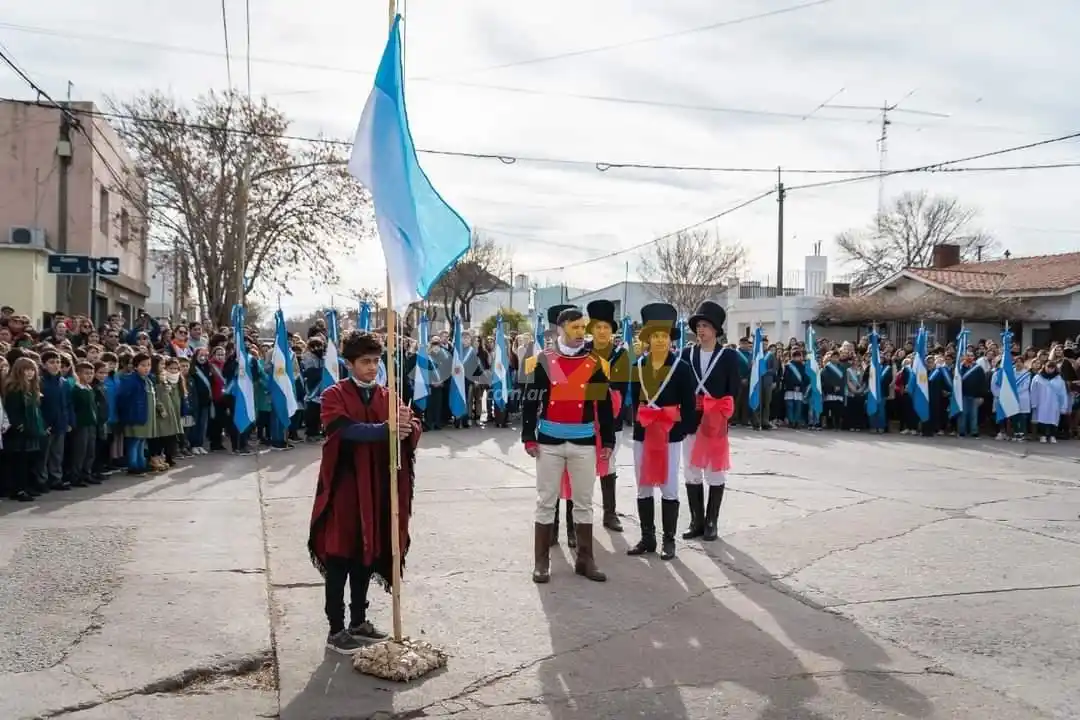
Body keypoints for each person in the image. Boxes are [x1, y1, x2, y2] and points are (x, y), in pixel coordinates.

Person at [308, 330, 421, 655]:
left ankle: (359, 621)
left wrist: (407, 426)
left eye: (376, 361)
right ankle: (336, 629)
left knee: (365, 554)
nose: (372, 368)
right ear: (349, 363)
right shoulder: (334, 394)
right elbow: (342, 430)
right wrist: (384, 430)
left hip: (377, 487)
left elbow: (410, 428)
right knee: (340, 555)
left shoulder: (389, 395)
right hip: (344, 488)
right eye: (365, 362)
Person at [521, 305, 615, 584]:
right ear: (560, 329)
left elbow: (604, 404)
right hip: (549, 442)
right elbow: (531, 401)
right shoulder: (543, 360)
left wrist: (607, 439)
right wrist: (528, 436)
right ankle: (541, 562)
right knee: (546, 501)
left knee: (584, 503)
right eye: (574, 327)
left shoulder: (595, 362)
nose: (579, 333)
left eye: (582, 328)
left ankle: (586, 559)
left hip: (584, 442)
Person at [627, 303, 696, 561]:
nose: (658, 341)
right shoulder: (639, 366)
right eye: (654, 336)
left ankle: (669, 540)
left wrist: (682, 428)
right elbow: (636, 401)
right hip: (644, 432)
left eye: (663, 336)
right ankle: (647, 538)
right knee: (643, 485)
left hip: (670, 432)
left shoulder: (681, 367)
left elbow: (689, 405)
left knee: (669, 486)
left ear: (670, 339)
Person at [679, 301, 739, 542]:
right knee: (691, 470)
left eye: (705, 325)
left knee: (715, 471)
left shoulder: (728, 356)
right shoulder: (686, 354)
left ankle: (712, 521)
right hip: (691, 420)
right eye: (698, 325)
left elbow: (733, 389)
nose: (701, 330)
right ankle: (696, 521)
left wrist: (721, 411)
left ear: (715, 329)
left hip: (714, 422)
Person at [586, 299, 630, 532]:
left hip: (611, 421)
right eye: (597, 326)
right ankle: (581, 516)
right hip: (583, 421)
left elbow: (619, 390)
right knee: (581, 466)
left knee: (609, 462)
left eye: (606, 327)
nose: (602, 331)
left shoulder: (621, 355)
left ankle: (610, 513)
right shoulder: (582, 352)